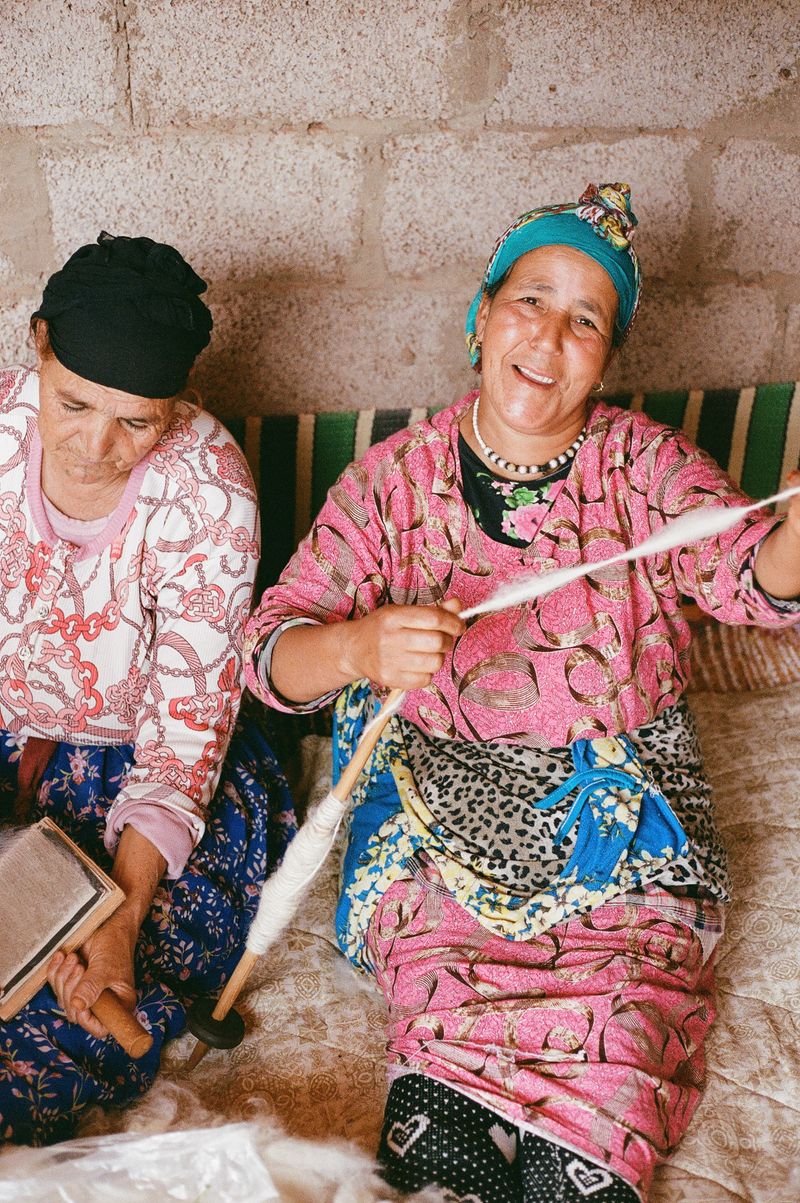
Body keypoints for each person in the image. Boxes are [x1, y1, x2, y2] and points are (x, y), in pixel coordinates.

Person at [244, 183, 800, 1203]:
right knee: (441, 1061)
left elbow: (751, 579)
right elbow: (271, 658)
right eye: (529, 300)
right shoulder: (390, 485)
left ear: (607, 358)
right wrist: (359, 646)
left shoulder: (646, 470)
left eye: (585, 320)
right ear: (480, 316)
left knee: (618, 1044)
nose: (548, 336)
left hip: (619, 807)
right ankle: (444, 1116)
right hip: (436, 808)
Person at [0, 233, 296, 1145]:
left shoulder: (209, 490)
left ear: (177, 403)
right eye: (73, 403)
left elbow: (184, 736)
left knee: (83, 1010)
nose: (97, 446)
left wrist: (120, 915)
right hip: (9, 748)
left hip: (148, 776)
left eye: (138, 421)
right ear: (38, 345)